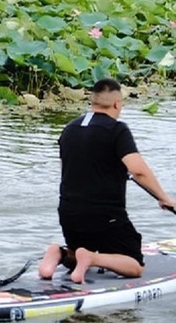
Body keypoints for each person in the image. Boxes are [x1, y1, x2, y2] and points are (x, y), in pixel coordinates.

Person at [38, 78, 176, 284]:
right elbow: (138, 171)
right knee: (135, 265)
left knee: (80, 246)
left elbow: (68, 169)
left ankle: (61, 253)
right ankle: (91, 258)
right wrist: (165, 198)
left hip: (68, 213)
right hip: (105, 216)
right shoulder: (117, 130)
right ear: (117, 103)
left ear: (92, 101)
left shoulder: (70, 129)